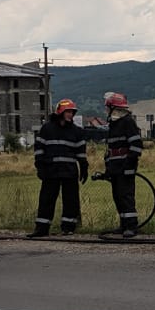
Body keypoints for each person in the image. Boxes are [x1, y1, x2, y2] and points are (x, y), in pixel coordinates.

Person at [29, 98, 87, 237]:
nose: (70, 115)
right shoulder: (47, 129)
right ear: (60, 112)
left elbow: (81, 152)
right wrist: (40, 166)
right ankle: (42, 228)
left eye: (72, 112)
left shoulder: (77, 131)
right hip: (51, 171)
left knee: (71, 200)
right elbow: (39, 148)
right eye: (68, 112)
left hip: (69, 171)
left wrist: (84, 167)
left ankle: (68, 228)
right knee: (46, 200)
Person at [94, 90, 143, 237]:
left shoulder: (127, 122)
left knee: (126, 197)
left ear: (114, 108)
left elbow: (136, 146)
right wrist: (108, 169)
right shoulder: (114, 124)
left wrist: (129, 166)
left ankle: (131, 226)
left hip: (125, 167)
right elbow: (111, 150)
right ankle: (123, 225)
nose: (106, 110)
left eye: (107, 107)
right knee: (118, 196)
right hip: (115, 168)